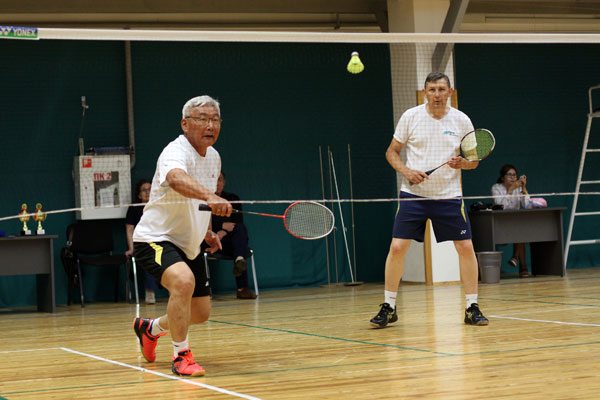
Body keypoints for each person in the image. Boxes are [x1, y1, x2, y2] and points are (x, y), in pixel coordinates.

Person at [369, 72, 489, 328]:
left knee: (465, 247)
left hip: (449, 196)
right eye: (432, 90)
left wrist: (464, 163)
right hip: (413, 196)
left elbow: (474, 162)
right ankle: (389, 306)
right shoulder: (411, 117)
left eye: (441, 90)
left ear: (450, 92)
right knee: (397, 247)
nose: (437, 94)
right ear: (425, 92)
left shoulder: (461, 120)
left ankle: (472, 307)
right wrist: (407, 171)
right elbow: (392, 152)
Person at [132, 95, 232, 377]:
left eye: (215, 120)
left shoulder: (213, 156)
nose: (210, 125)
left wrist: (207, 231)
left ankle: (150, 329)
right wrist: (211, 196)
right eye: (202, 119)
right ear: (185, 124)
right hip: (155, 238)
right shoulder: (174, 151)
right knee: (183, 281)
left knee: (199, 313)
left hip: (189, 244)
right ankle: (181, 357)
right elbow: (176, 179)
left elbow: (201, 202)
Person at [209, 172, 257, 299]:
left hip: (228, 240)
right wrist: (221, 226)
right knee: (240, 247)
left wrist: (223, 232)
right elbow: (202, 221)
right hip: (210, 241)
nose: (217, 183)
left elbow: (237, 221)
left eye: (220, 180)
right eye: (214, 179)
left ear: (224, 182)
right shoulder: (205, 199)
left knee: (240, 230)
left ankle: (239, 260)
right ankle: (242, 287)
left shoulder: (232, 198)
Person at [491, 164, 531, 277]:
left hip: (515, 223)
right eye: (509, 175)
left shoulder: (519, 188)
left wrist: (523, 189)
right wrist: (510, 190)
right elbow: (500, 205)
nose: (513, 177)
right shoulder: (496, 188)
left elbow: (527, 205)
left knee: (520, 229)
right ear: (502, 177)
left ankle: (515, 258)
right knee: (520, 231)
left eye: (514, 175)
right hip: (500, 223)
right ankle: (522, 265)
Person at [125, 179, 160, 303]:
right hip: (142, 243)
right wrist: (131, 248)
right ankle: (150, 292)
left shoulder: (159, 206)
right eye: (144, 190)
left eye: (150, 189)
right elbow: (129, 229)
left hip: (159, 241)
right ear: (139, 195)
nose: (147, 192)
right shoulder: (134, 209)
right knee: (149, 256)